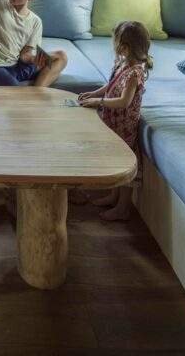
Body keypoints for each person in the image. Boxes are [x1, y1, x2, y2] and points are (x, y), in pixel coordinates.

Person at [74, 20, 153, 221]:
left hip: (124, 125)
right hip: (113, 121)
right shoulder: (121, 63)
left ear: (125, 47)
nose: (113, 46)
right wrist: (95, 93)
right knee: (114, 160)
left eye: (116, 42)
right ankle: (112, 196)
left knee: (123, 165)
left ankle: (122, 207)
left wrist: (99, 101)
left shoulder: (135, 73)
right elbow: (110, 86)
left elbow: (125, 102)